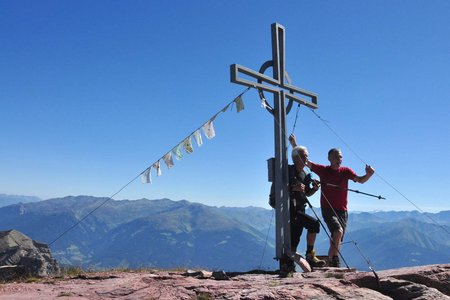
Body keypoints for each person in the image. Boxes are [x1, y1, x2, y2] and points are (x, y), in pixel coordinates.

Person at [289, 134, 375, 268]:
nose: (339, 159)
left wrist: (368, 174)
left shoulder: (346, 171)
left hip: (343, 211)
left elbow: (360, 180)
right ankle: (335, 260)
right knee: (338, 231)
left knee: (337, 237)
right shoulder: (323, 170)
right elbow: (304, 160)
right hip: (328, 209)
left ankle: (332, 262)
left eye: (340, 156)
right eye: (336, 156)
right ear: (329, 158)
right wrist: (295, 144)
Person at [269, 145, 326, 275]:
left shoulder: (304, 174)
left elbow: (305, 193)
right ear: (296, 158)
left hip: (299, 209)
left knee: (295, 238)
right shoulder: (287, 171)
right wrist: (291, 188)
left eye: (307, 155)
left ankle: (288, 267)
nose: (307, 158)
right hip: (288, 210)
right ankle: (309, 256)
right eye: (305, 155)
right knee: (313, 224)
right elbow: (279, 192)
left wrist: (314, 189)